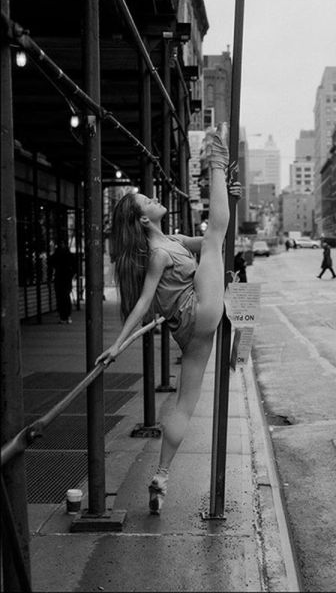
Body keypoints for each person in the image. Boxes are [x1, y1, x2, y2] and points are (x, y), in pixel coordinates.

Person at [95, 123, 241, 515]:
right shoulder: (159, 254)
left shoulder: (172, 242)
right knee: (213, 237)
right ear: (144, 220)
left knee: (183, 405)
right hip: (197, 311)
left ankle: (162, 474)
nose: (154, 197)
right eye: (146, 199)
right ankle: (217, 161)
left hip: (189, 332)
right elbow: (144, 303)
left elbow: (218, 237)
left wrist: (231, 200)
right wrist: (116, 345)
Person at [48, 238, 77, 324]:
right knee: (66, 297)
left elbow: (50, 264)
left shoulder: (56, 255)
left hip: (59, 278)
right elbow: (75, 266)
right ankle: (67, 316)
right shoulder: (69, 255)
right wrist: (73, 274)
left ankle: (63, 316)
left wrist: (50, 278)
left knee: (60, 298)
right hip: (66, 278)